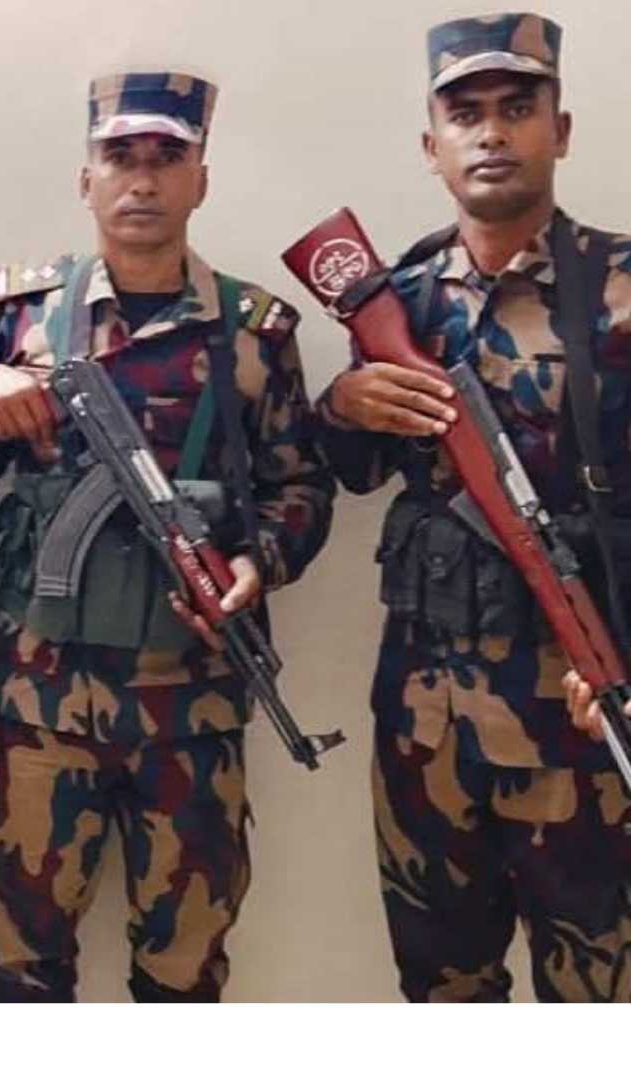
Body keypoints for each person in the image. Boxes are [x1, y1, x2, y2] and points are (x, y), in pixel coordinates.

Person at [0, 72, 334, 1001]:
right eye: (121, 157)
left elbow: (302, 485)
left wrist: (258, 562)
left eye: (167, 158)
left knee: (183, 974)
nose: (143, 180)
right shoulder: (24, 319)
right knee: (24, 971)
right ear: (88, 179)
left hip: (190, 707)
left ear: (202, 179)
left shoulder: (252, 333)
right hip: (40, 707)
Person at [313, 13, 631, 1002]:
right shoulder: (399, 301)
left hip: (580, 714)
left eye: (517, 108)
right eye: (465, 115)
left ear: (560, 130)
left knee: (596, 996)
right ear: (432, 146)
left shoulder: (619, 290)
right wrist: (343, 404)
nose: (491, 133)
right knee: (441, 991)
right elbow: (354, 471)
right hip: (426, 723)